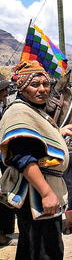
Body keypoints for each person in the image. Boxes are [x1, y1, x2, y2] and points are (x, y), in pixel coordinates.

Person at [0, 60, 72, 260]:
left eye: (46, 83)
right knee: (48, 245)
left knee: (27, 245)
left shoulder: (29, 111)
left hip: (28, 193)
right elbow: (24, 157)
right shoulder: (19, 113)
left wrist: (59, 133)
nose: (43, 89)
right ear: (21, 86)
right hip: (36, 191)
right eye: (35, 84)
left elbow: (36, 144)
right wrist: (47, 193)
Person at [0, 79, 17, 246]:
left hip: (4, 159)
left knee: (7, 194)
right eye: (3, 90)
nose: (6, 93)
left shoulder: (4, 107)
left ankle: (5, 233)